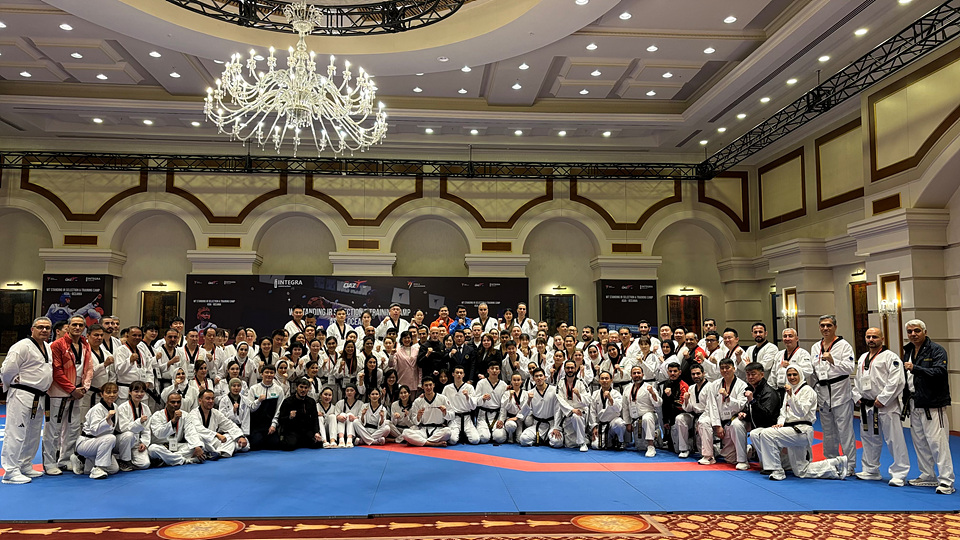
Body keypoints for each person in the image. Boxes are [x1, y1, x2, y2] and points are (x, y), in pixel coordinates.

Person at [751, 365, 848, 481]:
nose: (792, 377)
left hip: (802, 430)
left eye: (794, 374)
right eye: (789, 375)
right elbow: (783, 412)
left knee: (767, 434)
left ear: (800, 375)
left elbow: (802, 412)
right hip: (789, 430)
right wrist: (780, 423)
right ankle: (836, 464)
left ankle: (777, 470)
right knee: (801, 471)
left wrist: (792, 396)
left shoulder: (807, 391)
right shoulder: (789, 391)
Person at [1, 317, 54, 484]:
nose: (44, 330)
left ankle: (25, 464)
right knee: (16, 432)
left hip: (39, 396)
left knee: (33, 432)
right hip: (22, 393)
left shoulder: (47, 347)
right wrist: (12, 383)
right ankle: (10, 471)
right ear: (32, 329)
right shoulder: (22, 346)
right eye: (40, 327)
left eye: (47, 328)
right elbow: (7, 370)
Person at [902, 319, 954, 494]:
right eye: (910, 331)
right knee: (920, 442)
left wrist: (916, 368)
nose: (913, 334)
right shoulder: (908, 351)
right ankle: (928, 474)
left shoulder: (936, 350)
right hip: (914, 402)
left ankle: (946, 480)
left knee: (938, 442)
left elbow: (940, 372)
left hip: (933, 404)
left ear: (924, 331)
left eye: (917, 330)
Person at [853, 327, 909, 486]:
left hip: (886, 406)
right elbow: (858, 380)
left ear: (882, 339)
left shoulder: (891, 357)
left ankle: (899, 473)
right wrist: (857, 396)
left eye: (875, 337)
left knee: (894, 440)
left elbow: (897, 381)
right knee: (868, 438)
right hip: (866, 405)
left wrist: (883, 398)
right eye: (868, 337)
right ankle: (871, 470)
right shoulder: (863, 357)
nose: (871, 340)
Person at [44, 315, 93, 476]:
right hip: (59, 392)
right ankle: (50, 462)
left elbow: (89, 368)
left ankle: (65, 459)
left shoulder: (85, 344)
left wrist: (84, 388)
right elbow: (56, 370)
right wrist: (72, 389)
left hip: (78, 391)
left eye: (80, 325)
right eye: (74, 325)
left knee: (73, 429)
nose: (77, 328)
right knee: (54, 429)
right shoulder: (58, 345)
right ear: (69, 326)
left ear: (84, 327)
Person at [811, 314, 856, 476]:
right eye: (822, 325)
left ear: (835, 327)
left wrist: (833, 360)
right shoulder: (815, 347)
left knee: (845, 431)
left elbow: (850, 367)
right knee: (828, 431)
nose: (825, 328)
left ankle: (849, 465)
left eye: (829, 325)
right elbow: (814, 371)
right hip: (822, 391)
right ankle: (831, 462)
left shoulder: (844, 346)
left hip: (840, 391)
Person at [697, 358, 748, 467]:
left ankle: (743, 458)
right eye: (722, 368)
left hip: (733, 419)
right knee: (703, 421)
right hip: (718, 418)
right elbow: (712, 406)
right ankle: (708, 456)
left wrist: (727, 396)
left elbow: (741, 405)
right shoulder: (714, 385)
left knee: (731, 459)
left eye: (727, 368)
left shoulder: (742, 385)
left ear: (734, 369)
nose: (725, 370)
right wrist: (717, 425)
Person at [736, 362, 780, 466]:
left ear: (762, 374)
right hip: (757, 424)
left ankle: (769, 463)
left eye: (753, 374)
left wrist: (752, 401)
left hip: (770, 427)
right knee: (736, 424)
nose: (750, 377)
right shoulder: (752, 389)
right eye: (748, 374)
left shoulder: (769, 392)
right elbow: (753, 411)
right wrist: (745, 414)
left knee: (754, 434)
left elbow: (767, 416)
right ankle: (744, 456)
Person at [75, 381, 120, 479]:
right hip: (86, 442)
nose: (112, 395)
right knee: (110, 438)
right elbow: (94, 430)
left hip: (99, 443)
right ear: (101, 394)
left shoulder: (115, 407)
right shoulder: (97, 409)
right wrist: (107, 419)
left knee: (114, 469)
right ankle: (97, 468)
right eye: (108, 392)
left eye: (114, 392)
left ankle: (84, 461)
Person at [187, 389, 248, 459]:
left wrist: (240, 436)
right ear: (200, 400)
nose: (211, 401)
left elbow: (229, 424)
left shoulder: (215, 413)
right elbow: (198, 429)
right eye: (208, 399)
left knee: (230, 437)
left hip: (212, 441)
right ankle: (218, 451)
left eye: (212, 398)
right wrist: (216, 434)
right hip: (200, 442)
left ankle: (218, 453)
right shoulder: (193, 413)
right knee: (196, 441)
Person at [147, 391, 194, 466]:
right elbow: (159, 434)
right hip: (161, 446)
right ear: (167, 403)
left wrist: (196, 446)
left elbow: (191, 432)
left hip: (176, 446)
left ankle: (165, 459)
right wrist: (173, 421)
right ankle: (183, 460)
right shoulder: (157, 415)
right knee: (152, 449)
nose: (176, 404)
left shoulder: (185, 415)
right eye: (173, 402)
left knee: (193, 447)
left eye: (178, 402)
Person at [403, 377, 454, 447]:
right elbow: (415, 422)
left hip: (438, 430)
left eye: (430, 385)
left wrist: (445, 412)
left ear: (434, 385)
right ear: (422, 387)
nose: (428, 387)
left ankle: (420, 442)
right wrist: (418, 416)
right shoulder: (417, 401)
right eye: (426, 385)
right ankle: (433, 443)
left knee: (447, 431)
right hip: (423, 430)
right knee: (405, 433)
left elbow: (452, 416)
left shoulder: (442, 398)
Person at [622, 365, 660, 457]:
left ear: (643, 374)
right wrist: (628, 423)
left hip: (649, 416)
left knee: (646, 418)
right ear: (631, 375)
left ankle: (651, 446)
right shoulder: (627, 388)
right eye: (634, 373)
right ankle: (656, 435)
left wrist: (652, 393)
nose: (636, 375)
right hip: (636, 420)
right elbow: (625, 407)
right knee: (641, 447)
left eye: (638, 373)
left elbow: (658, 403)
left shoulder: (649, 387)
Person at [518, 368, 562, 447]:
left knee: (557, 442)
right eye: (536, 376)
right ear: (533, 378)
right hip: (537, 425)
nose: (539, 378)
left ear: (545, 377)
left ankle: (545, 439)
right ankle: (541, 439)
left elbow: (557, 410)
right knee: (523, 439)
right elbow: (523, 412)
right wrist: (529, 400)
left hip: (551, 424)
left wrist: (556, 427)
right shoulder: (530, 393)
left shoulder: (554, 390)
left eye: (541, 375)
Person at [115, 380, 152, 471]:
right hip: (123, 441)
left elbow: (147, 429)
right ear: (130, 392)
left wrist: (144, 442)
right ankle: (124, 460)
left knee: (145, 464)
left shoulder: (145, 408)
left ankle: (120, 460)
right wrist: (139, 421)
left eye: (142, 391)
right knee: (129, 435)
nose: (139, 394)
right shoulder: (122, 407)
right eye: (136, 391)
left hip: (136, 443)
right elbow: (124, 428)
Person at [276, 378, 322, 451]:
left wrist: (316, 432)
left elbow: (315, 419)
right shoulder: (288, 401)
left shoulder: (311, 402)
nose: (303, 390)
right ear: (296, 387)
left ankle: (300, 442)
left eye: (306, 388)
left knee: (318, 444)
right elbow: (280, 420)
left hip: (306, 430)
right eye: (301, 387)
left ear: (308, 389)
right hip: (292, 430)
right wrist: (289, 417)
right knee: (289, 446)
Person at [555, 359, 591, 452]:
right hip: (567, 413)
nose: (570, 370)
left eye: (572, 368)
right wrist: (571, 409)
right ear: (564, 369)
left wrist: (579, 395)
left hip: (580, 413)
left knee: (576, 416)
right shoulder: (560, 382)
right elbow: (560, 399)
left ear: (575, 369)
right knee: (570, 445)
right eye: (568, 368)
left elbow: (588, 399)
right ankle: (584, 438)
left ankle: (582, 443)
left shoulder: (581, 382)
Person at [246, 364, 284, 450]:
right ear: (261, 374)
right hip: (256, 425)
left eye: (271, 373)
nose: (269, 375)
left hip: (270, 425)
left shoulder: (279, 390)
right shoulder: (253, 389)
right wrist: (258, 401)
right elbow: (250, 408)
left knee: (274, 444)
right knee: (256, 444)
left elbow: (279, 409)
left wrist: (274, 425)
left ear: (274, 375)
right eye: (266, 372)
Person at [442, 366, 479, 445]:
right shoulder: (447, 388)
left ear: (464, 375)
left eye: (461, 373)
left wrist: (467, 396)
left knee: (475, 440)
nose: (459, 375)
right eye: (457, 373)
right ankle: (459, 434)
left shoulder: (469, 387)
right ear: (453, 374)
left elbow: (473, 407)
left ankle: (463, 434)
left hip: (467, 418)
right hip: (454, 418)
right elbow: (441, 401)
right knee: (452, 440)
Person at [589, 371, 625, 450]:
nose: (604, 380)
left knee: (620, 423)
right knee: (595, 446)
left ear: (611, 380)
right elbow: (592, 412)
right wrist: (594, 427)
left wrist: (610, 398)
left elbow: (618, 408)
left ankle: (620, 441)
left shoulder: (616, 393)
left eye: (606, 378)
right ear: (599, 381)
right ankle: (611, 440)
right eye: (602, 378)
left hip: (613, 423)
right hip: (601, 425)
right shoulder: (595, 394)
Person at [659, 362, 689, 455]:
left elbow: (681, 406)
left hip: (681, 416)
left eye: (675, 371)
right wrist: (665, 421)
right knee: (671, 448)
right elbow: (664, 404)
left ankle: (688, 446)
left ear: (680, 372)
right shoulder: (666, 383)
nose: (672, 373)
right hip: (670, 417)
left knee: (677, 450)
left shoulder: (684, 386)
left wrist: (670, 395)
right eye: (670, 371)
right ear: (667, 372)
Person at [772, 328, 813, 394]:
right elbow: (773, 374)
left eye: (790, 336)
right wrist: (772, 389)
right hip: (780, 390)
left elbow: (808, 371)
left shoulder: (803, 354)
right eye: (785, 336)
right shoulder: (779, 354)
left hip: (796, 390)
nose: (787, 339)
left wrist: (791, 367)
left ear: (797, 339)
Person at [474, 362, 507, 444]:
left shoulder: (503, 385)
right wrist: (482, 398)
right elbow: (475, 401)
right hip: (483, 415)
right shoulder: (481, 383)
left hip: (497, 415)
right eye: (492, 368)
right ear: (488, 370)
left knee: (499, 438)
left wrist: (501, 420)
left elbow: (504, 405)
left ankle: (494, 433)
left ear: (499, 371)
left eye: (496, 369)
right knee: (484, 438)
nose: (494, 371)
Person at [680, 364, 707, 458]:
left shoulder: (710, 387)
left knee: (703, 451)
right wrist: (686, 400)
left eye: (698, 373)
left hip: (707, 416)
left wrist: (700, 421)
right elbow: (688, 409)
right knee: (680, 418)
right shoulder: (691, 388)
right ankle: (684, 448)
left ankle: (708, 453)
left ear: (703, 373)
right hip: (695, 415)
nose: (696, 376)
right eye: (693, 374)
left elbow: (712, 407)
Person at [493, 373, 526, 444]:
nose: (516, 382)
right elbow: (504, 408)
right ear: (511, 381)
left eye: (518, 380)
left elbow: (526, 409)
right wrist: (501, 420)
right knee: (510, 426)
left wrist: (517, 418)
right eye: (514, 380)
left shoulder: (525, 393)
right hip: (509, 418)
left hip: (519, 419)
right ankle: (510, 435)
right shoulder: (506, 393)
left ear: (521, 381)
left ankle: (515, 434)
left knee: (519, 440)